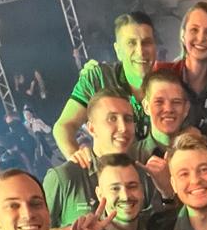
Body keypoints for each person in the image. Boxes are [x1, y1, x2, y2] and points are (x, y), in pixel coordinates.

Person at [44, 89, 161, 230]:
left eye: (128, 119)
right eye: (112, 119)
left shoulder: (142, 175)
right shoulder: (65, 177)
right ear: (92, 128)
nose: (123, 128)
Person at [53, 11, 157, 158]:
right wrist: (79, 162)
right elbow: (64, 126)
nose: (140, 50)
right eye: (131, 43)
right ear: (118, 50)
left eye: (146, 42)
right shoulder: (98, 78)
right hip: (109, 170)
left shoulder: (167, 82)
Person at [156, 1, 207, 153]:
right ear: (183, 35)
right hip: (167, 162)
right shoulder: (163, 75)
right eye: (194, 30)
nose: (201, 38)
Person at [132, 69, 191, 197]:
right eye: (159, 102)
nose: (168, 109)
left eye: (176, 102)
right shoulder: (131, 158)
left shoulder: (199, 155)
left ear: (186, 109)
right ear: (146, 107)